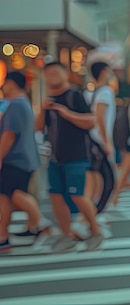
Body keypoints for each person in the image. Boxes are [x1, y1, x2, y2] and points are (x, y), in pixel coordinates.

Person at [34, 62, 103, 252]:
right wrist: (43, 109)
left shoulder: (74, 95)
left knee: (77, 195)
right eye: (48, 73)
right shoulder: (49, 100)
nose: (52, 76)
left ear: (65, 75)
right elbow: (38, 127)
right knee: (55, 195)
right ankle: (67, 234)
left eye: (56, 72)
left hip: (77, 156)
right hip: (55, 157)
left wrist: (66, 113)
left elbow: (90, 121)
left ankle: (95, 230)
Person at [0, 72, 52, 250]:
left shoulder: (15, 105)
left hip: (15, 158)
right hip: (24, 158)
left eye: (5, 83)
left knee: (14, 194)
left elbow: (9, 135)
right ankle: (4, 236)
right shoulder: (23, 103)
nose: (3, 86)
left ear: (12, 83)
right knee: (6, 196)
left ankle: (40, 222)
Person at [86, 62, 117, 208]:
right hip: (99, 140)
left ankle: (90, 212)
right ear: (104, 72)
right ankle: (95, 211)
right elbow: (100, 117)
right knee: (104, 178)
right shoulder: (105, 92)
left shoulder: (91, 92)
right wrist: (106, 142)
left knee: (94, 177)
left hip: (91, 139)